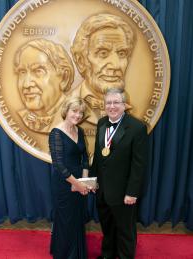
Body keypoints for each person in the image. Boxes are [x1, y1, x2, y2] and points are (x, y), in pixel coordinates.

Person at [90, 87, 148, 259]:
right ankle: (108, 255)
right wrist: (92, 182)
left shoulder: (137, 128)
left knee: (125, 231)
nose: (112, 106)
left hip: (124, 193)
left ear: (124, 105)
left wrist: (132, 192)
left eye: (116, 102)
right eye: (108, 102)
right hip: (102, 190)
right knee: (107, 227)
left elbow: (139, 165)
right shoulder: (101, 123)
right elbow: (98, 157)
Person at [71, 13, 135, 125]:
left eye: (121, 53)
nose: (115, 65)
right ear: (81, 61)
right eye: (103, 53)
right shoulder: (68, 105)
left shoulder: (130, 110)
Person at [49, 96, 90, 259]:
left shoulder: (79, 130)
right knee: (65, 220)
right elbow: (58, 165)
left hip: (79, 181)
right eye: (74, 111)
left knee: (77, 219)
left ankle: (77, 253)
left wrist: (84, 181)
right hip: (64, 183)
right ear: (66, 111)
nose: (78, 115)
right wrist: (76, 184)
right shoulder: (56, 133)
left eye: (81, 112)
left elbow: (85, 157)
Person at [14, 38, 74, 133]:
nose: (26, 84)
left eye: (38, 71)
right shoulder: (20, 117)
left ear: (64, 78)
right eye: (22, 72)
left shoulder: (76, 114)